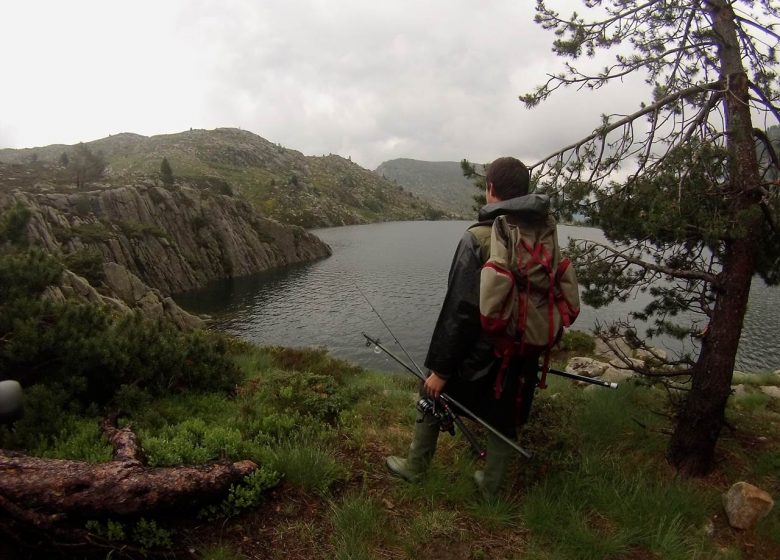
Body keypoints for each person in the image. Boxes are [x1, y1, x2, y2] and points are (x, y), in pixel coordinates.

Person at [385, 156, 551, 500]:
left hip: (482, 358)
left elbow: (460, 312)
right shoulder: (542, 235)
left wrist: (441, 371)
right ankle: (490, 487)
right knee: (505, 413)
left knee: (429, 391)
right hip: (524, 351)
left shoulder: (477, 238)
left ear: (490, 189)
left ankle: (415, 468)